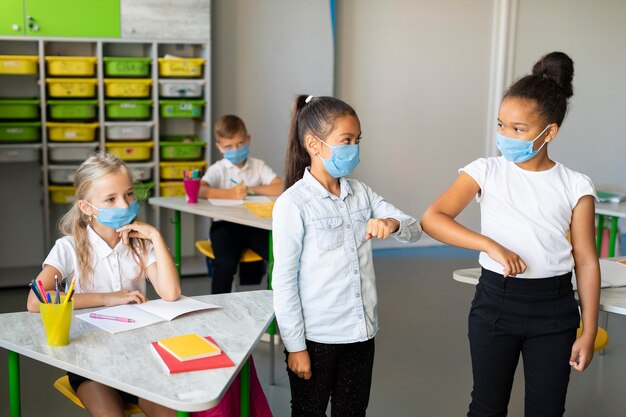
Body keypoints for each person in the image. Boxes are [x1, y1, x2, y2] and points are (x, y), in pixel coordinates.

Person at [420, 52, 600, 417]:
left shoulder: (576, 185)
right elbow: (432, 218)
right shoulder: (485, 171)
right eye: (501, 125)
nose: (505, 136)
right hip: (495, 304)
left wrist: (589, 330)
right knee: (486, 407)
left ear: (550, 132)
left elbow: (585, 260)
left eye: (518, 129)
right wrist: (489, 244)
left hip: (555, 310)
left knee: (547, 410)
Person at [272, 95, 422, 416]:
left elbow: (414, 228)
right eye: (346, 140)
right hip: (316, 339)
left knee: (352, 411)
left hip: (360, 333)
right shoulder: (292, 204)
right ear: (315, 144)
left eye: (357, 140)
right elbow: (284, 282)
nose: (354, 148)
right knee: (308, 411)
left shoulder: (362, 193)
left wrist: (392, 222)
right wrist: (295, 347)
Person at [27, 152, 181, 417]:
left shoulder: (141, 244)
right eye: (111, 199)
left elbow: (171, 293)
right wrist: (110, 298)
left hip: (140, 354)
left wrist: (155, 236)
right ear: (87, 207)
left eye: (129, 194)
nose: (124, 205)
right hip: (90, 360)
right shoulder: (69, 247)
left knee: (168, 413)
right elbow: (36, 301)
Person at [199, 115, 283, 294]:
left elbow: (280, 187)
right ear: (219, 147)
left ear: (248, 140)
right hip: (224, 226)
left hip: (254, 225)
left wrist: (251, 189)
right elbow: (199, 190)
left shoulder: (258, 166)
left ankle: (277, 302)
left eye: (239, 144)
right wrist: (228, 194)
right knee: (225, 265)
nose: (235, 150)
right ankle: (219, 307)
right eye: (228, 147)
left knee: (279, 256)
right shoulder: (218, 169)